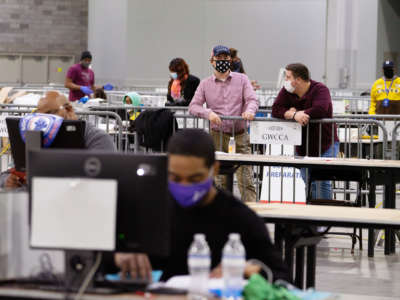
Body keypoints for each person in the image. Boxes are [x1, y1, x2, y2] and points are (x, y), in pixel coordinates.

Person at [103, 129, 290, 283]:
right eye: (175, 178)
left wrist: (248, 270)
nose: (184, 186)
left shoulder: (239, 218)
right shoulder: (148, 209)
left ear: (214, 170)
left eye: (195, 179)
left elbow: (283, 279)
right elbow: (96, 255)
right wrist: (117, 258)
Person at [2, 91, 116, 189]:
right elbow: (9, 172)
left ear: (68, 109)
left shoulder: (97, 139)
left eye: (49, 113)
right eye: (39, 114)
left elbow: (104, 178)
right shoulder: (38, 136)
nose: (44, 119)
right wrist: (9, 181)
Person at [189, 45, 258, 202]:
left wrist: (250, 111)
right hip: (217, 136)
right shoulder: (205, 84)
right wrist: (208, 113)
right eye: (219, 58)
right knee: (219, 181)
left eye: (226, 58)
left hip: (240, 135)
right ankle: (221, 216)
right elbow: (193, 106)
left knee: (246, 179)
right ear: (212, 61)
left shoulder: (242, 80)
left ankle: (252, 216)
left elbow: (252, 99)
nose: (222, 61)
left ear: (231, 60)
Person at [272, 63, 339, 200]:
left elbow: (320, 109)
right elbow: (276, 109)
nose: (285, 80)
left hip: (325, 143)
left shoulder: (320, 89)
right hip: (302, 145)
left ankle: (324, 216)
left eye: (288, 77)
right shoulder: (287, 91)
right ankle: (312, 213)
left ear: (298, 80)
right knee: (307, 180)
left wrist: (297, 112)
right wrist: (293, 115)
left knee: (322, 182)